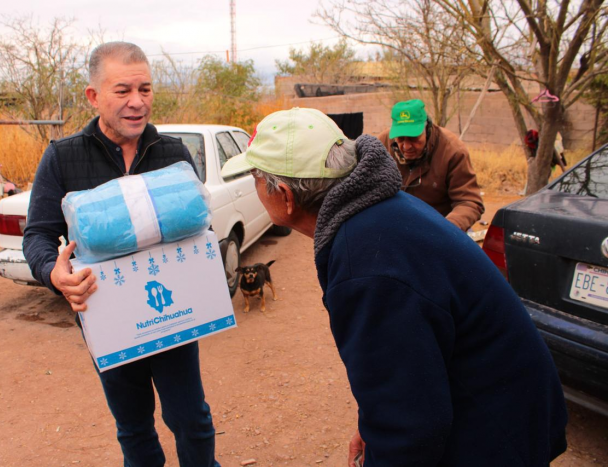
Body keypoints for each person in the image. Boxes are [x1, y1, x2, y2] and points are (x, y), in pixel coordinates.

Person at [221, 107, 567, 466]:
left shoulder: (366, 266)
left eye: (256, 178)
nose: (254, 188)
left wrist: (385, 434)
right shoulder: (378, 212)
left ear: (285, 196)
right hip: (502, 404)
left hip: (499, 431)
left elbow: (408, 428)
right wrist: (375, 421)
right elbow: (402, 382)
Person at [23, 42, 220, 467]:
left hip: (172, 313)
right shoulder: (62, 157)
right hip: (108, 319)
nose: (137, 102)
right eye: (123, 90)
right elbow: (38, 234)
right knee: (133, 426)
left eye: (145, 89)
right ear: (93, 96)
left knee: (191, 419)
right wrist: (53, 273)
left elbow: (200, 225)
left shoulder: (172, 153)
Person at [377, 99, 484, 231]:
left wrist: (446, 230)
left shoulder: (453, 151)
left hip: (440, 226)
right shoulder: (381, 145)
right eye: (400, 138)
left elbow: (469, 202)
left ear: (427, 129)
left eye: (413, 138)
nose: (406, 146)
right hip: (397, 225)